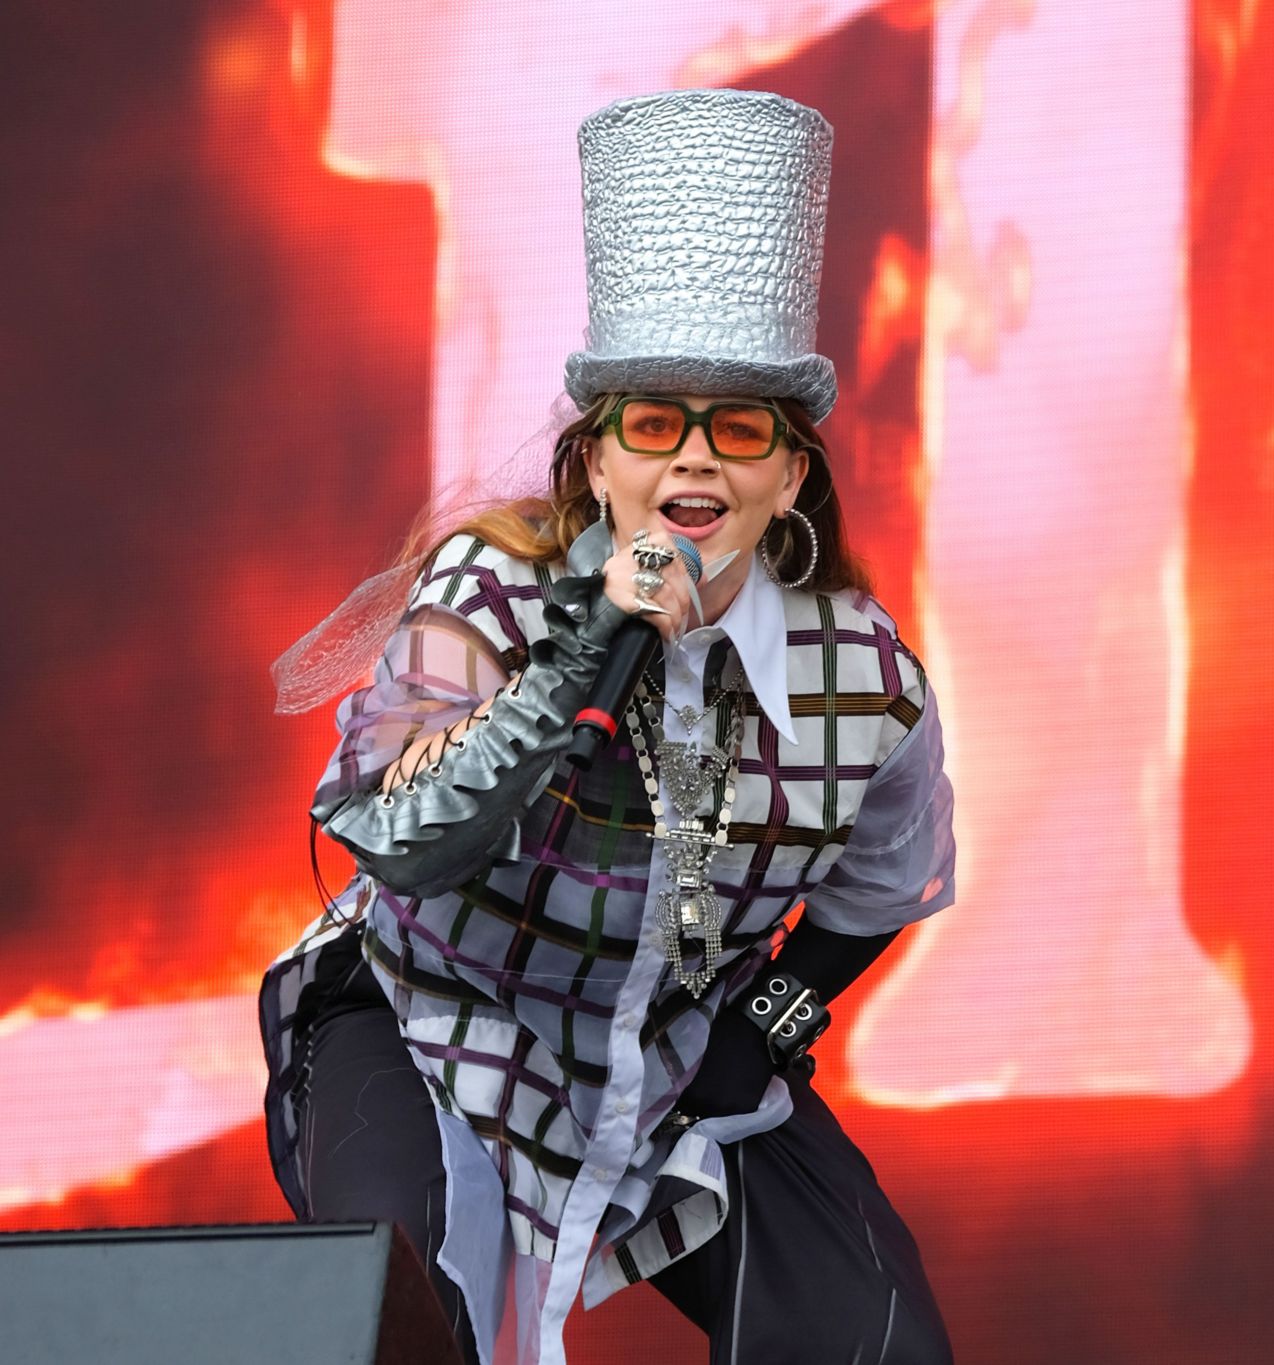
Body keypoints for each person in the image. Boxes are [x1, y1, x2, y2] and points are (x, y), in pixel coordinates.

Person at [258, 89, 955, 1365]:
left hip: (673, 1054)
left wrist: (765, 1032)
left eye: (738, 427)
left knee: (877, 1341)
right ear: (597, 462)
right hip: (420, 1012)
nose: (695, 460)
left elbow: (877, 893)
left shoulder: (866, 681)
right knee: (395, 1328)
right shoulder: (486, 592)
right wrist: (587, 647)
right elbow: (396, 837)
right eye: (652, 423)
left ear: (788, 473)